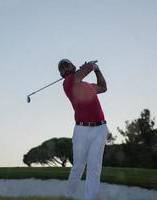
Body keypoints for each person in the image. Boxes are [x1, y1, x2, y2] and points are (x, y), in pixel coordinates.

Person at [58, 59, 108, 200]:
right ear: (61, 74)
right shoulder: (68, 83)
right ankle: (69, 196)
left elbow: (103, 87)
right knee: (78, 167)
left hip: (100, 129)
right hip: (81, 130)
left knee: (94, 168)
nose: (65, 68)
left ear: (73, 66)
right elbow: (80, 75)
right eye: (62, 68)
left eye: (67, 64)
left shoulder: (88, 86)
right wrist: (91, 65)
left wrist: (97, 70)